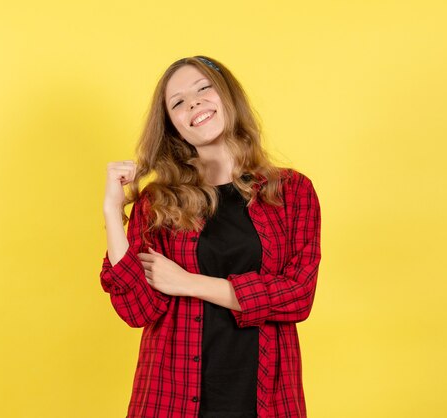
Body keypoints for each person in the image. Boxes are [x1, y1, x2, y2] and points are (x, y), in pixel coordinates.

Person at [100, 55, 321, 418]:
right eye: (179, 102)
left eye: (204, 88)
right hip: (169, 400)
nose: (195, 103)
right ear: (174, 128)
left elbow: (298, 296)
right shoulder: (159, 202)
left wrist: (189, 283)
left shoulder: (291, 191)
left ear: (228, 97)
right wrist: (112, 210)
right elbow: (138, 310)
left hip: (266, 401)